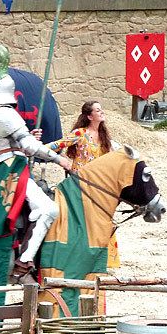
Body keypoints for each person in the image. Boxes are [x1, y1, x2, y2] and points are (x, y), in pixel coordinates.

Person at [0, 44, 73, 285]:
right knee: (49, 210)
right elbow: (29, 148)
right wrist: (59, 158)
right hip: (13, 171)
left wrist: (31, 139)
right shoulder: (6, 114)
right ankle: (24, 262)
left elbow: (11, 144)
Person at [48, 100, 123, 267]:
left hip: (99, 185)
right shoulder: (79, 134)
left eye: (101, 109)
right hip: (79, 184)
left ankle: (105, 259)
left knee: (104, 219)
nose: (101, 112)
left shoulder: (105, 137)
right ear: (90, 116)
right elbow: (56, 145)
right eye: (98, 110)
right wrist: (38, 148)